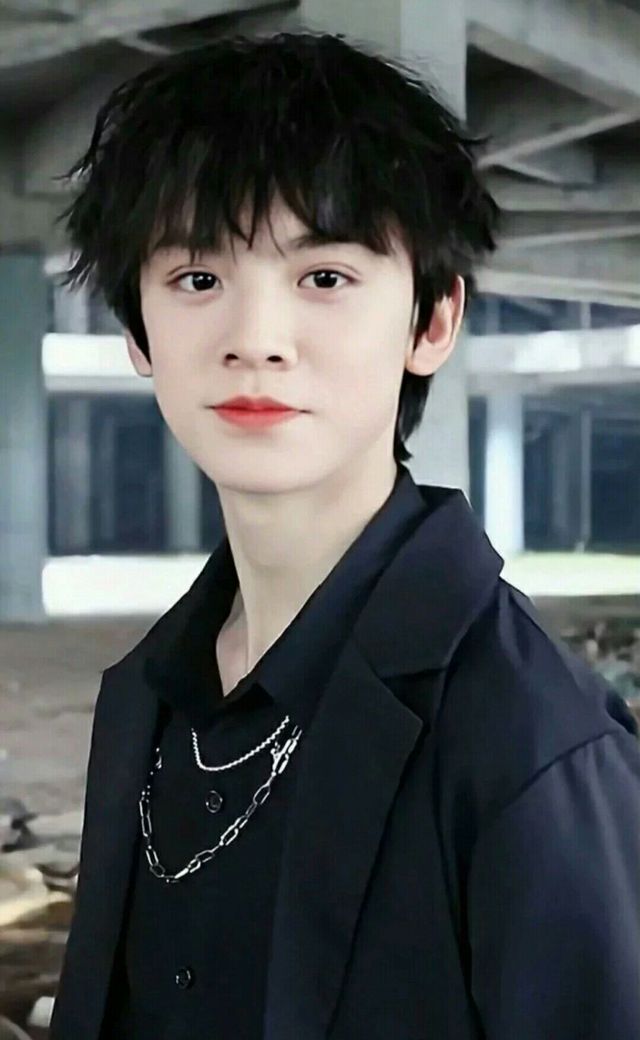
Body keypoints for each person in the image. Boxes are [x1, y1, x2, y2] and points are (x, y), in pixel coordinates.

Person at [48, 30, 640, 1040]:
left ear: (431, 322)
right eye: (198, 279)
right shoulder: (146, 693)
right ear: (138, 332)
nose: (256, 340)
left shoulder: (527, 738)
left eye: (323, 277)